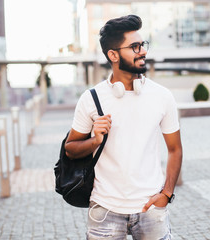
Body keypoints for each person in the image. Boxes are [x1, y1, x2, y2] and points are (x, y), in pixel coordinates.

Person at [65, 15, 182, 239]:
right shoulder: (92, 99)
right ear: (113, 55)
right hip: (105, 210)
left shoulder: (162, 96)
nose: (143, 51)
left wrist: (166, 194)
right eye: (134, 46)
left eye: (143, 45)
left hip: (151, 210)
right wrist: (95, 140)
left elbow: (175, 149)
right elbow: (70, 148)